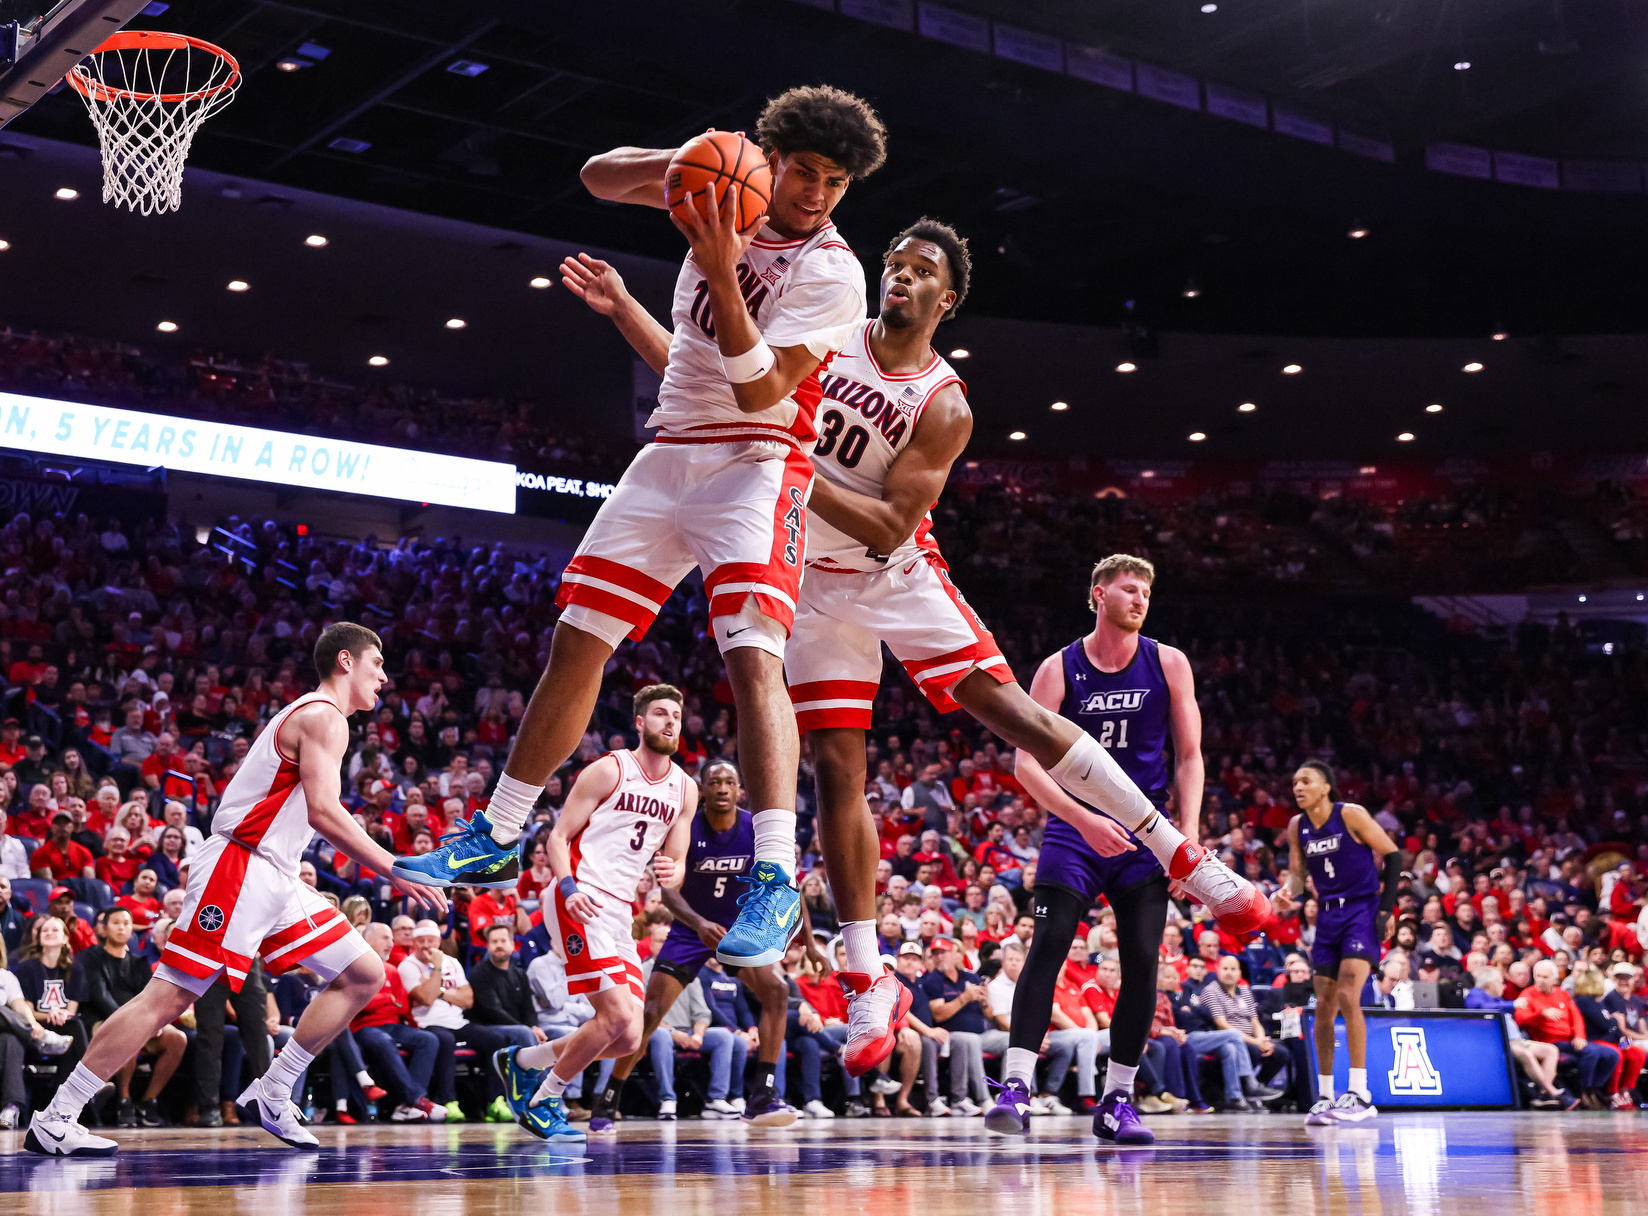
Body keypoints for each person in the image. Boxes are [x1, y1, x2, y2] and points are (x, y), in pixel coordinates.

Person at [394, 87, 890, 981]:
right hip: (671, 454)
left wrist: (720, 257)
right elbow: (592, 176)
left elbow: (758, 392)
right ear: (772, 160)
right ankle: (499, 832)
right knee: (576, 642)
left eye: (837, 182)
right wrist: (691, 169)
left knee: (752, 655)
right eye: (806, 172)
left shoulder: (833, 270)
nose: (819, 193)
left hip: (761, 457)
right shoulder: (726, 183)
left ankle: (775, 876)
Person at [786, 237, 1269, 1085]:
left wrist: (786, 472)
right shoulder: (828, 336)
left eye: (923, 269)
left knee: (1015, 713)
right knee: (834, 770)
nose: (901, 272)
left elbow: (888, 525)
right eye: (895, 259)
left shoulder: (943, 403)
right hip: (812, 583)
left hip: (893, 570)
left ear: (947, 299)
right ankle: (866, 976)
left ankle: (1180, 855)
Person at [22, 622, 447, 1157]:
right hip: (239, 867)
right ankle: (57, 1116)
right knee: (169, 997)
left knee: (362, 974)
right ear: (345, 660)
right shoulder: (324, 716)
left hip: (276, 874)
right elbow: (324, 811)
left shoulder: (317, 716)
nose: (385, 677)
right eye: (377, 665)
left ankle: (273, 1088)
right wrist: (395, 867)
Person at [978, 555, 1262, 1145]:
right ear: (1097, 594)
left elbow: (1189, 757)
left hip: (1147, 834)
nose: (1141, 600)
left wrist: (1184, 843)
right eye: (1130, 589)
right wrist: (1081, 820)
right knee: (1048, 946)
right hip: (1074, 831)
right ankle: (1016, 1088)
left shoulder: (1170, 662)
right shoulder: (1059, 668)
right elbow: (1025, 763)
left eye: (1147, 593)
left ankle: (1118, 1100)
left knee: (1142, 961)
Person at [492, 685, 696, 1142]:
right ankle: (546, 1099)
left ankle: (521, 1062)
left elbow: (676, 861)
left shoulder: (686, 788)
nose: (670, 722)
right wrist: (565, 887)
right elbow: (558, 837)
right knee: (618, 1015)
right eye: (660, 713)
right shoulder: (609, 769)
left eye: (676, 716)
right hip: (579, 895)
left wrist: (675, 866)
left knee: (627, 1036)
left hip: (620, 909)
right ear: (639, 723)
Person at [587, 759, 795, 1129]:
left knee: (777, 992)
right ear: (702, 789)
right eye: (714, 782)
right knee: (650, 1013)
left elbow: (785, 886)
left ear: (739, 790)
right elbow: (667, 892)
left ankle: (763, 1094)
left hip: (737, 931)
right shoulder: (683, 828)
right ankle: (609, 1096)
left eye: (729, 782)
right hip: (688, 930)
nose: (722, 788)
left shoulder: (755, 828)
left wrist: (807, 942)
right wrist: (698, 924)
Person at [1274, 760, 1399, 1125]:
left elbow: (1391, 855)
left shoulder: (1351, 815)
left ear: (1326, 786)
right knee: (1324, 1004)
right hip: (1326, 915)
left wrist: (1386, 909)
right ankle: (1326, 1096)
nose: (1297, 787)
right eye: (1294, 781)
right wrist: (1286, 894)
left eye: (1306, 781)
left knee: (1348, 993)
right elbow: (1298, 876)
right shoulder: (1297, 826)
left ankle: (1360, 1092)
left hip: (1361, 911)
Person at [73, 905, 186, 1128]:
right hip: (102, 1019)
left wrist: (156, 1021)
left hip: (140, 1020)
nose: (122, 927)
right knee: (131, 1034)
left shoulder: (139, 963)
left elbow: (150, 999)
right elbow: (99, 995)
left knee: (177, 1039)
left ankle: (148, 1101)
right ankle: (123, 1100)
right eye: (116, 923)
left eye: (126, 923)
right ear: (103, 929)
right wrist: (134, 1021)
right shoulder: (92, 957)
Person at [352, 922, 446, 1123]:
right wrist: (387, 999)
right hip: (363, 1027)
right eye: (385, 938)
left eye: (392, 940)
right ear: (368, 940)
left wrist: (380, 1000)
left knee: (429, 1039)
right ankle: (417, 1100)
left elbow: (402, 1006)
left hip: (391, 1024)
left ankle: (407, 1105)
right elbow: (358, 1005)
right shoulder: (355, 967)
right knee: (383, 1041)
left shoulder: (392, 970)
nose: (391, 943)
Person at [1516, 958, 1620, 1110]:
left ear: (1554, 979)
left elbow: (1576, 1018)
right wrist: (1541, 1014)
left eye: (1545, 977)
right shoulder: (1528, 994)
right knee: (1592, 1053)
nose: (1541, 980)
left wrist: (1579, 1036)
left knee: (1612, 1055)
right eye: (1538, 976)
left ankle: (1594, 1088)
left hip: (1570, 1040)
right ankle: (1583, 1091)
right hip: (1548, 1041)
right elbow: (1519, 1019)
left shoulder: (1562, 994)